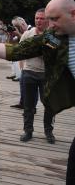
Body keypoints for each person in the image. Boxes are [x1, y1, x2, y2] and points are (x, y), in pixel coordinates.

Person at [0, 0, 75, 185]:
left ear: (73, 14)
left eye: (55, 19)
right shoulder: (53, 37)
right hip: (32, 75)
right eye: (47, 19)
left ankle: (48, 131)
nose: (49, 25)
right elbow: (16, 51)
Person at [17, 9, 55, 143]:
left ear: (48, 20)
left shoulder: (52, 36)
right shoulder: (27, 34)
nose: (38, 21)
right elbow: (19, 52)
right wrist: (23, 70)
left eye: (41, 18)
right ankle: (28, 131)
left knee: (49, 105)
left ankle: (48, 131)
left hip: (46, 75)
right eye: (36, 18)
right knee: (28, 105)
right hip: (29, 73)